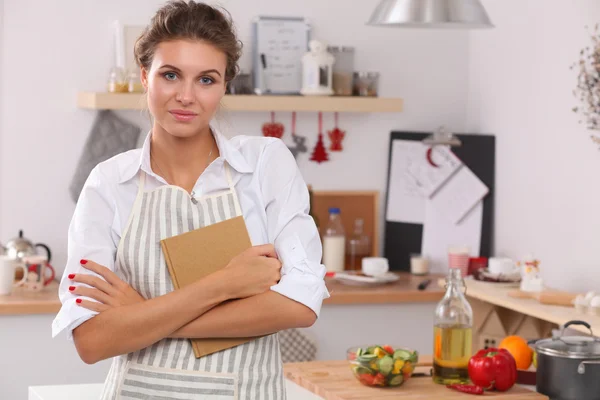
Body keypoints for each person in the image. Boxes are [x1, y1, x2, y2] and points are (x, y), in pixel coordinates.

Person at [51, 2, 329, 398]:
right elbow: (92, 341)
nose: (186, 96)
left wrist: (139, 315)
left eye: (206, 80)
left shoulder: (265, 165)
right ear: (145, 76)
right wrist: (224, 284)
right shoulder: (109, 183)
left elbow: (301, 306)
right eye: (170, 75)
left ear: (224, 86)